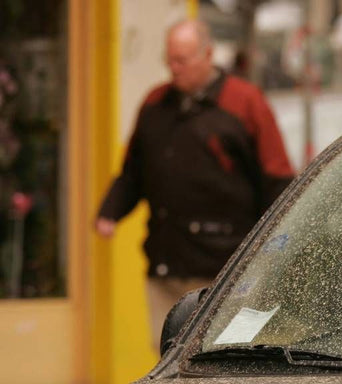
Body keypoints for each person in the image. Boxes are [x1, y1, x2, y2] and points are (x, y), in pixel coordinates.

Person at [95, 19, 294, 351]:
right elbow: (133, 172)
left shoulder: (245, 102)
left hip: (225, 269)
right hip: (166, 262)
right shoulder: (155, 104)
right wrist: (110, 212)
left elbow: (276, 180)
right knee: (167, 359)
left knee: (220, 358)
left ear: (207, 55)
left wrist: (273, 250)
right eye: (169, 60)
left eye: (182, 60)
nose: (174, 69)